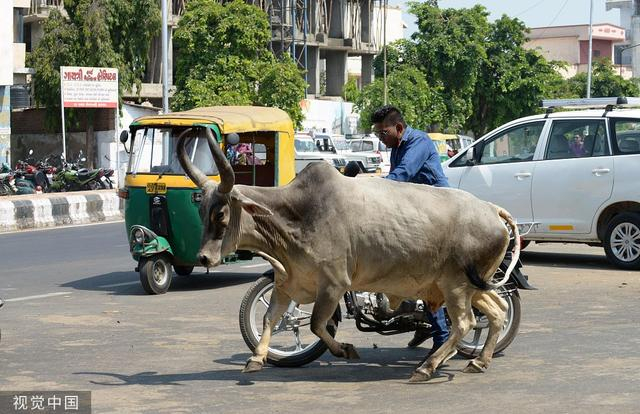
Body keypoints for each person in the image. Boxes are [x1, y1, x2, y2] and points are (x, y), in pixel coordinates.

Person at [371, 105, 450, 354]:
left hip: (439, 212)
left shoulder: (419, 142)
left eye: (383, 133)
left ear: (399, 128)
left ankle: (442, 338)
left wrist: (368, 189)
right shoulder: (396, 146)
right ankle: (414, 313)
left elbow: (402, 176)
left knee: (424, 272)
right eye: (377, 134)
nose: (381, 139)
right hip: (416, 212)